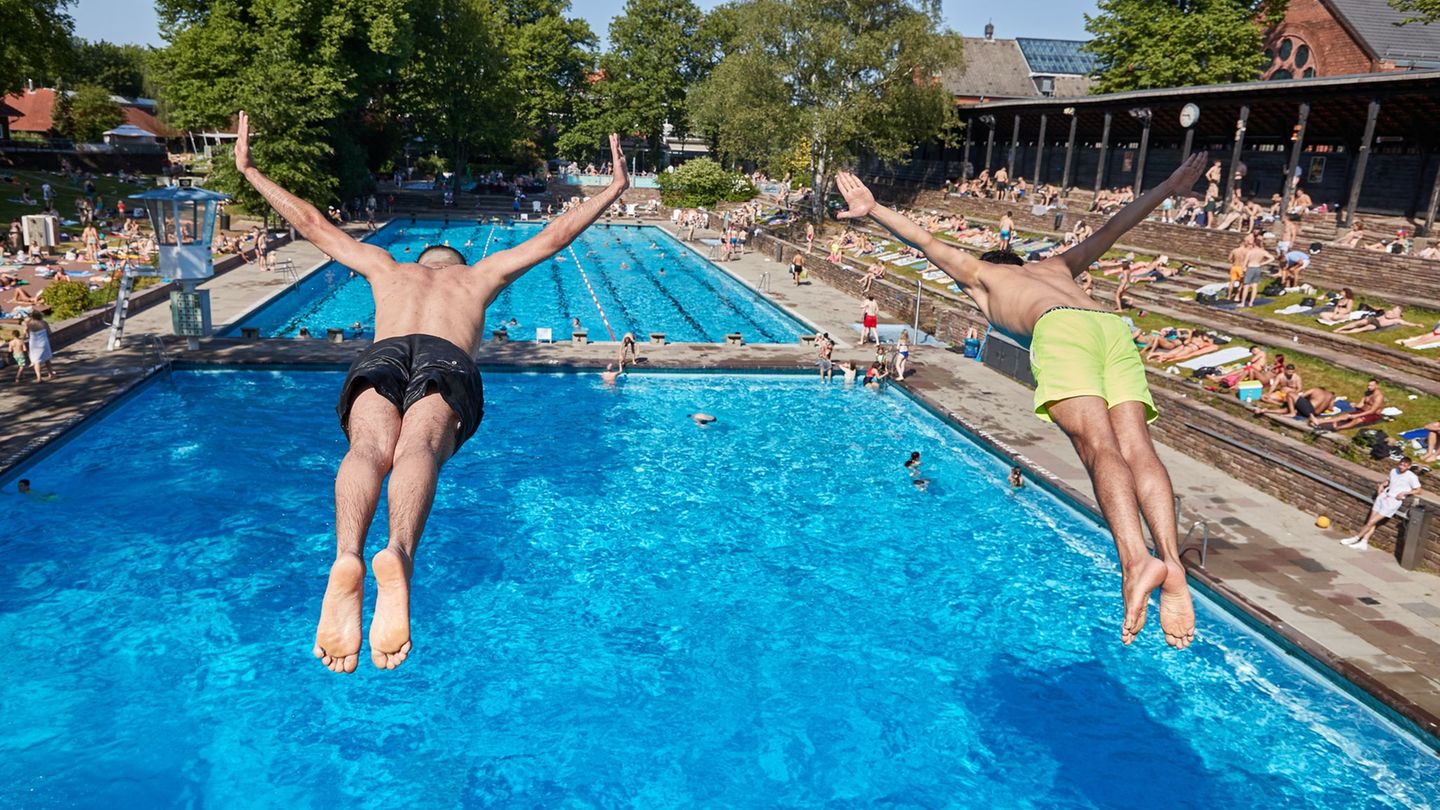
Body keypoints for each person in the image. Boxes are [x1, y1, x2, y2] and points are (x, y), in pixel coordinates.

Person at [235, 111, 633, 673]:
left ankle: (346, 554)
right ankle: (397, 554)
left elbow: (314, 225)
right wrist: (612, 188)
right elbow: (557, 234)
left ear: (420, 263)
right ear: (458, 265)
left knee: (368, 451)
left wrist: (250, 170)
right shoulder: (480, 276)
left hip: (385, 352)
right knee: (417, 449)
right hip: (447, 359)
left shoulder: (385, 268)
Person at [833, 153, 1209, 650]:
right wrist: (1169, 185)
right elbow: (1115, 227)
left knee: (1100, 448)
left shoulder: (980, 275)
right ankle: (1172, 562)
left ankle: (1138, 563)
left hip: (1061, 327)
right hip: (1109, 328)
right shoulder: (1058, 265)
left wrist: (874, 210)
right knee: (1139, 449)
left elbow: (925, 242)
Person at [1340, 458, 1421, 550]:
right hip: (1383, 496)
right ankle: (1364, 542)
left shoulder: (1412, 477)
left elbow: (1418, 490)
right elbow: (1388, 481)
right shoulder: (1393, 471)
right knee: (1371, 520)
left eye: (1404, 465)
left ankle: (1356, 538)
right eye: (1400, 464)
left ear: (1409, 466)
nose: (1401, 467)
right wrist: (1382, 485)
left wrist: (1404, 493)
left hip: (1393, 501)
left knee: (1371, 522)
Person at [1311, 379, 1384, 431]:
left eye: (1371, 386)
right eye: (1368, 385)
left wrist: (1356, 415)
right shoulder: (1367, 393)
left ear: (1377, 386)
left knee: (1358, 420)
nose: (1369, 387)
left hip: (1372, 414)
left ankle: (1339, 428)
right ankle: (1320, 421)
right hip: (1362, 411)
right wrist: (1355, 405)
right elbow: (1361, 404)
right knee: (1345, 416)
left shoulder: (1378, 397)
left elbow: (1372, 411)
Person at [23, 312, 53, 382]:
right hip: (44, 342)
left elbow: (26, 333)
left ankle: (39, 378)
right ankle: (51, 373)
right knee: (47, 359)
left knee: (36, 361)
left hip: (34, 344)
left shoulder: (29, 324)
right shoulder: (44, 322)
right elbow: (50, 333)